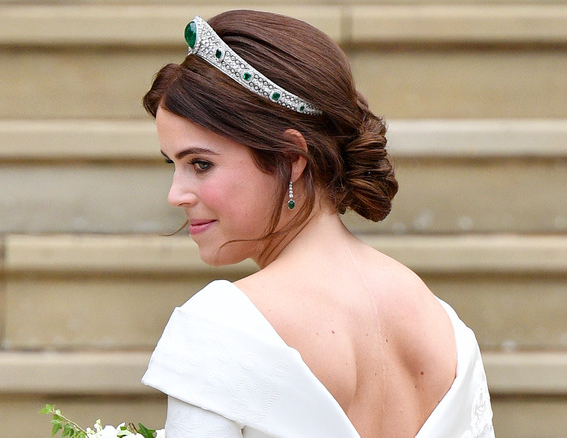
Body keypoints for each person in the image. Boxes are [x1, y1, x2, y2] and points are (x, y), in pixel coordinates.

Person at [141, 10, 494, 437]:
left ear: (291, 158)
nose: (176, 194)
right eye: (173, 165)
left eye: (200, 164)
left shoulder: (222, 324)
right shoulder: (448, 331)